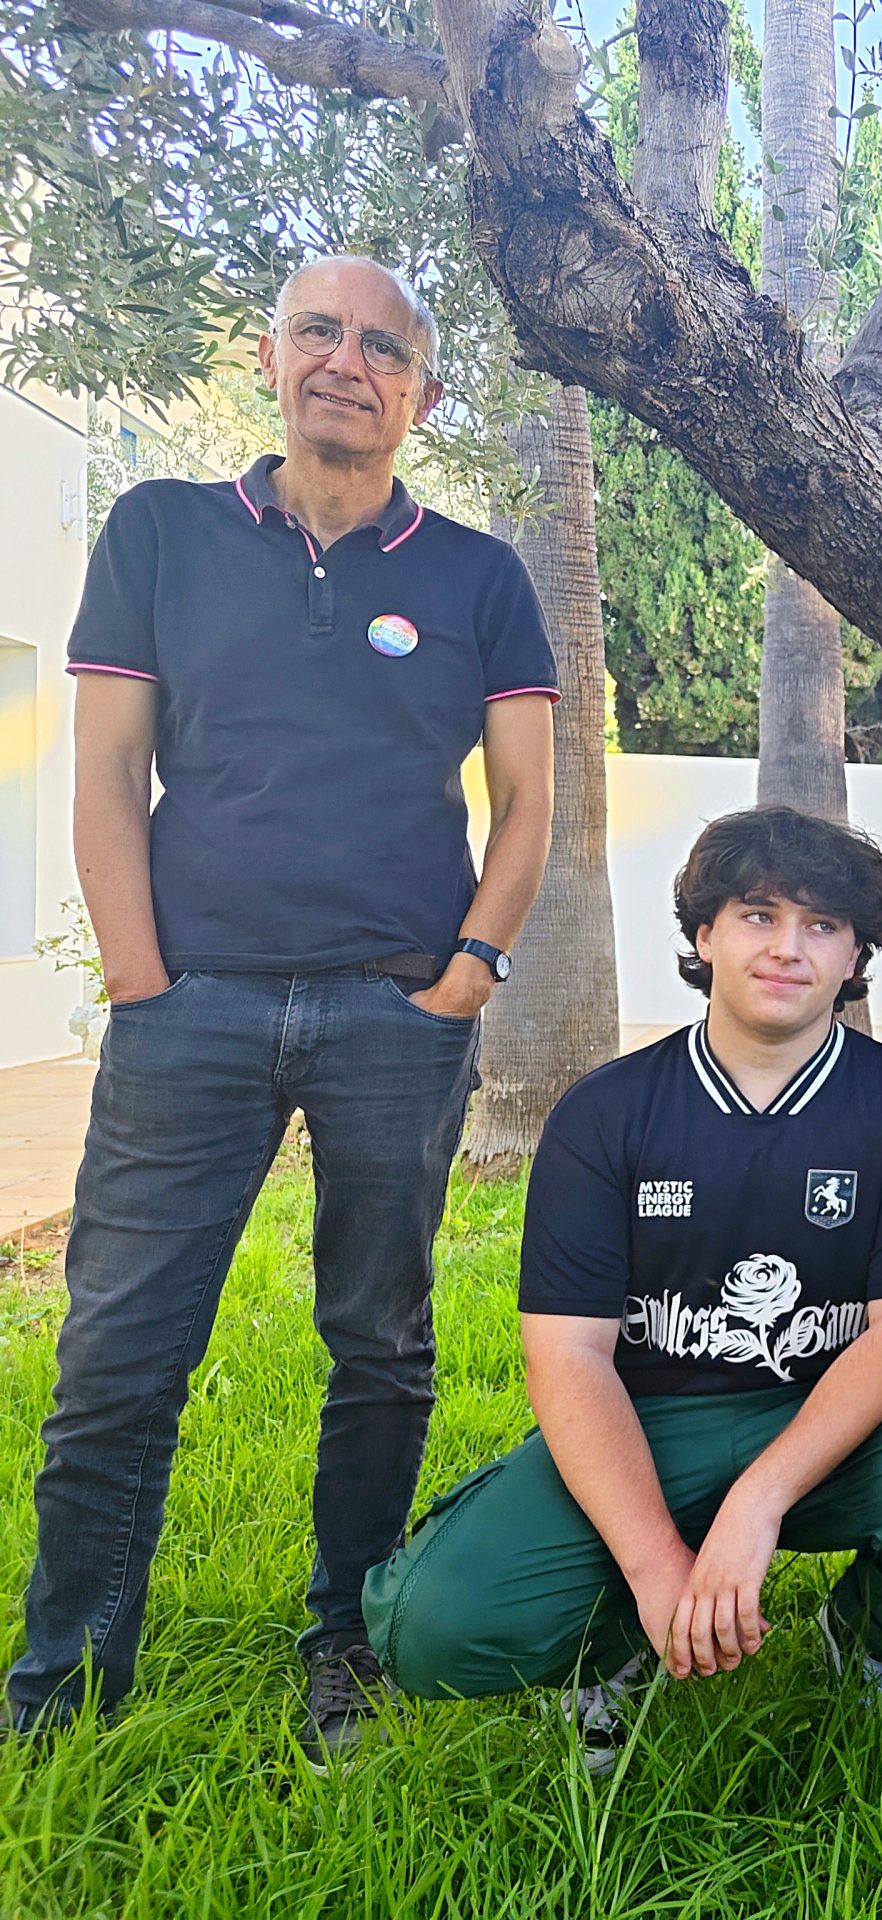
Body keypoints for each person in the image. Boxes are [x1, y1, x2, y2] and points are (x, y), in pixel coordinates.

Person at [9, 256, 558, 1761]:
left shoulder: (478, 577)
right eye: (319, 331)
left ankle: (347, 1647)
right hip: (189, 1011)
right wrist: (140, 980)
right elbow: (106, 770)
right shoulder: (161, 531)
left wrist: (468, 972)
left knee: (379, 1345)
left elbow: (527, 800)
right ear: (269, 357)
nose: (346, 363)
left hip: (397, 1015)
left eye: (383, 348)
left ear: (419, 395)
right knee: (118, 1358)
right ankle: (64, 1692)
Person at [363, 808, 882, 1768]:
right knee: (428, 1624)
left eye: (822, 925)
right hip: (652, 1425)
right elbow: (568, 1355)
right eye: (758, 915)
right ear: (704, 934)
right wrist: (657, 1568)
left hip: (833, 1418)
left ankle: (869, 1642)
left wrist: (757, 1503)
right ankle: (615, 1648)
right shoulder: (606, 1112)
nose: (787, 949)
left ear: (857, 955)